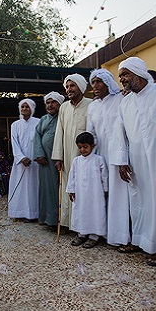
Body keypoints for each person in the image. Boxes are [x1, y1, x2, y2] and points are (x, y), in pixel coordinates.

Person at [117, 57, 156, 266]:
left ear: (139, 73)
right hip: (136, 160)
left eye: (125, 74)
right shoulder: (125, 102)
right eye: (121, 75)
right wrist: (121, 160)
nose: (122, 79)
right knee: (140, 202)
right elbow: (120, 133)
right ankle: (144, 242)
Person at [86, 69, 130, 248]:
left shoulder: (121, 100)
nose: (95, 85)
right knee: (100, 194)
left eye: (99, 81)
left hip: (118, 153)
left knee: (119, 195)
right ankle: (99, 232)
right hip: (99, 155)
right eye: (93, 82)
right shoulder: (93, 106)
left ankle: (120, 236)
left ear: (108, 83)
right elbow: (91, 133)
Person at [51, 74, 92, 229]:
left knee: (85, 189)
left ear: (81, 87)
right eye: (67, 86)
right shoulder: (64, 107)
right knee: (69, 188)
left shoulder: (91, 104)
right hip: (67, 157)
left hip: (86, 156)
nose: (69, 89)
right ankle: (70, 224)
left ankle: (85, 227)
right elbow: (59, 132)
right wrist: (58, 157)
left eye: (72, 86)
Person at [66, 132, 108, 249]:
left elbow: (104, 176)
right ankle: (81, 234)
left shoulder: (98, 160)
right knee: (81, 211)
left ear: (92, 146)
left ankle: (94, 236)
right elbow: (72, 176)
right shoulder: (76, 161)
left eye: (85, 147)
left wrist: (105, 189)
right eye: (80, 147)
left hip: (95, 193)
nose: (82, 150)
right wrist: (71, 190)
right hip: (80, 193)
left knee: (95, 212)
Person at [33, 91, 64, 228]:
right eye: (48, 102)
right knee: (46, 189)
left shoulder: (64, 116)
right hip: (45, 161)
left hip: (60, 160)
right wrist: (39, 154)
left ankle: (60, 221)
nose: (50, 105)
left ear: (60, 103)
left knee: (59, 189)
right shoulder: (43, 120)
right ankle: (46, 218)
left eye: (53, 102)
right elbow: (37, 136)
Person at [8, 99, 40, 222]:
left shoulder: (38, 122)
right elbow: (14, 143)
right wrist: (21, 158)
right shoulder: (15, 125)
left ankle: (33, 213)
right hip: (20, 163)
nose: (24, 109)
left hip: (34, 161)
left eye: (27, 107)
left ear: (32, 108)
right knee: (20, 186)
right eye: (22, 106)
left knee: (33, 186)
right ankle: (18, 212)